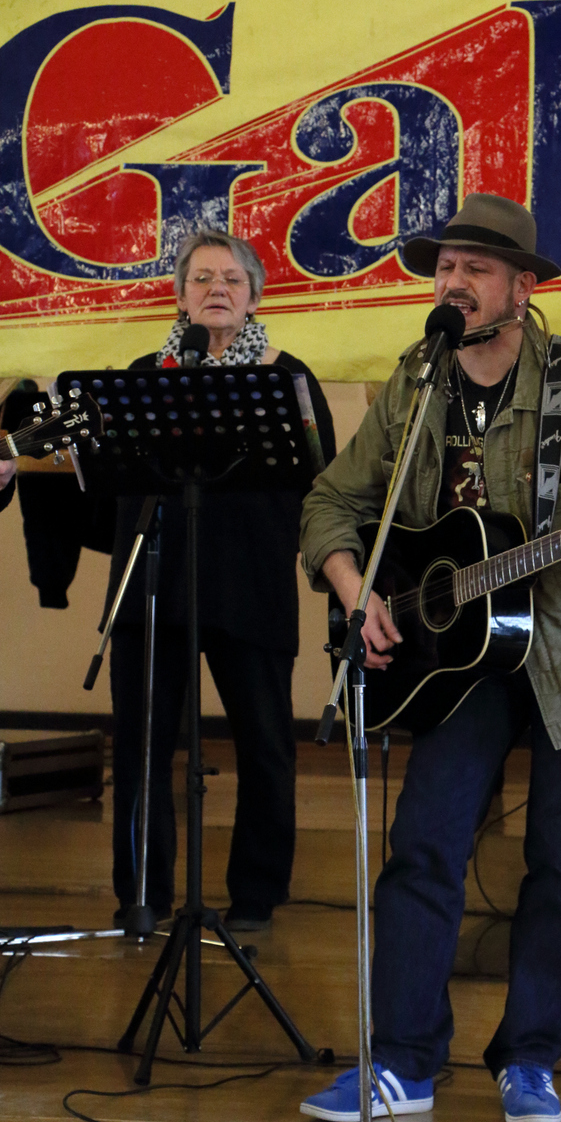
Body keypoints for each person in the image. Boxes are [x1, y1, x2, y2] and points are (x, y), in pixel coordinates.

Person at [298, 194, 561, 1122]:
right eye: (444, 267)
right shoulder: (418, 379)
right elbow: (332, 502)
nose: (452, 283)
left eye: (475, 268)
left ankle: (529, 1060)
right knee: (424, 845)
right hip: (460, 655)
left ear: (522, 287)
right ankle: (405, 1065)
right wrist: (359, 591)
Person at [104, 229, 335, 931]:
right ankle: (143, 895)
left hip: (251, 586)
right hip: (155, 585)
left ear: (255, 295)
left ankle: (256, 897)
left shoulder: (287, 376)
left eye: (232, 280)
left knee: (265, 744)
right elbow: (104, 481)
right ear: (178, 295)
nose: (216, 290)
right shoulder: (145, 377)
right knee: (143, 746)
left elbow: (321, 487)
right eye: (201, 279)